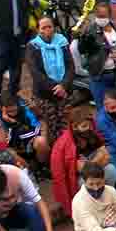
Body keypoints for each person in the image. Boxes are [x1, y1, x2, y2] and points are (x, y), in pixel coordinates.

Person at [24, 16, 74, 146]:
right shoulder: (33, 47)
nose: (47, 30)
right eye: (43, 27)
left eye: (49, 26)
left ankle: (65, 149)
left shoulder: (62, 42)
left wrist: (63, 85)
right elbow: (35, 72)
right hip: (44, 94)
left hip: (64, 92)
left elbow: (70, 66)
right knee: (50, 126)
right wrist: (56, 87)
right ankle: (53, 151)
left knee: (65, 126)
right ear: (38, 30)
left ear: (54, 27)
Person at [75, 2, 116, 107]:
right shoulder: (90, 30)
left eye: (104, 16)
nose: (101, 19)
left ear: (109, 15)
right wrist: (83, 35)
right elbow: (82, 49)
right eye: (99, 16)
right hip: (99, 74)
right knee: (102, 105)